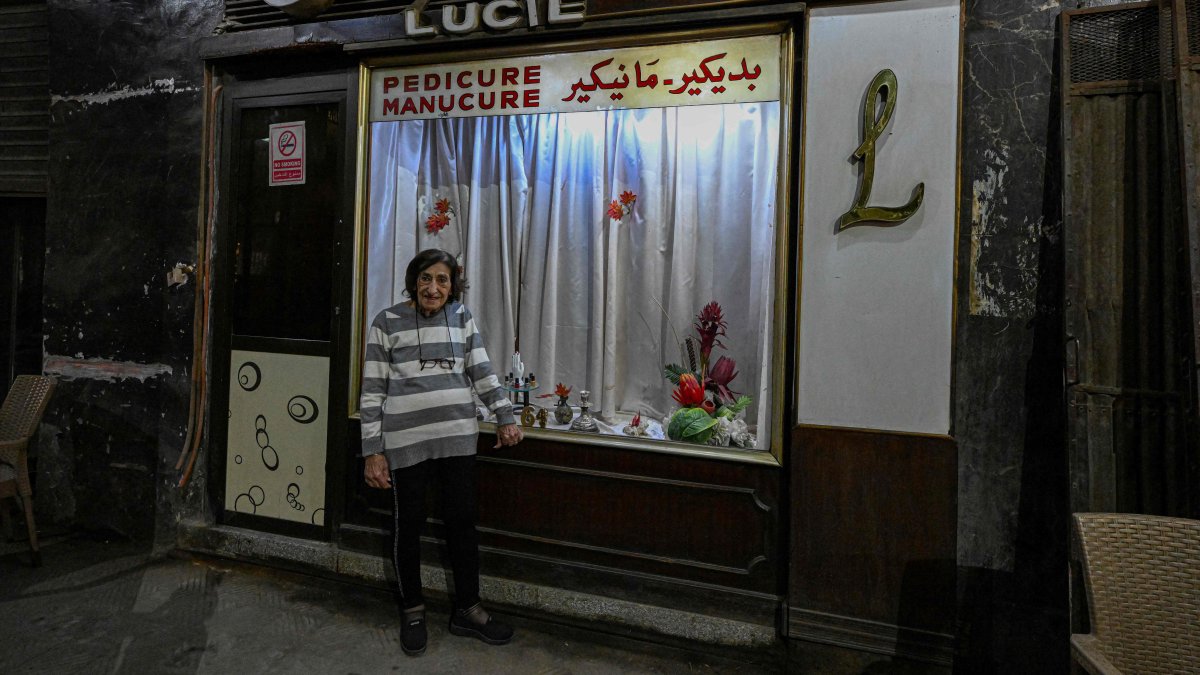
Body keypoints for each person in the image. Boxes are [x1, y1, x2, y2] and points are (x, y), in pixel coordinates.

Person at [360, 248, 524, 656]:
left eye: (443, 280)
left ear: (453, 286)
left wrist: (505, 414)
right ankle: (413, 609)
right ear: (414, 281)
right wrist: (372, 451)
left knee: (463, 523)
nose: (434, 287)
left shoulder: (462, 318)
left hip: (457, 438)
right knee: (408, 525)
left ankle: (468, 610)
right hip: (405, 442)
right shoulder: (387, 322)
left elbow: (481, 371)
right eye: (426, 278)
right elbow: (372, 390)